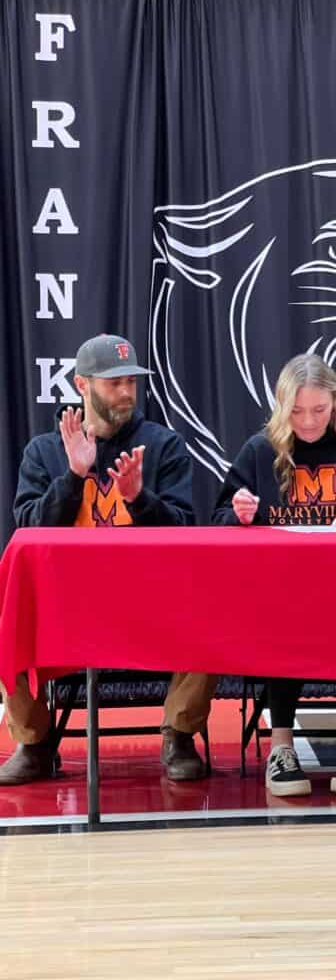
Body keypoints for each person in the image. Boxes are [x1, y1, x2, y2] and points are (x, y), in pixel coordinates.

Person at [0, 334, 214, 786]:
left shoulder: (163, 446)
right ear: (82, 384)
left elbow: (186, 532)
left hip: (151, 602)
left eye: (131, 383)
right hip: (66, 607)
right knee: (4, 615)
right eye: (114, 383)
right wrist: (74, 477)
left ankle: (178, 733)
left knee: (214, 607)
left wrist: (139, 499)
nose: (126, 393)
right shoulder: (44, 451)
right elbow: (29, 530)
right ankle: (35, 742)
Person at [212, 353, 336, 797]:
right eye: (297, 411)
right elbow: (219, 513)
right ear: (281, 406)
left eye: (319, 410)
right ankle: (281, 747)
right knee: (284, 622)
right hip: (284, 589)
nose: (307, 421)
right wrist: (240, 514)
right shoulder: (261, 450)